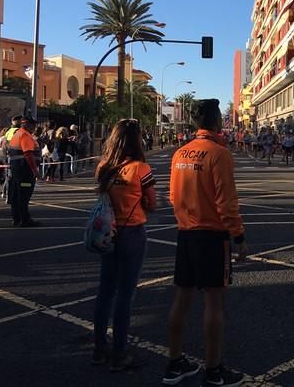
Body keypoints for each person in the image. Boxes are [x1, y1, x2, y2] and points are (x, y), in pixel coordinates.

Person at [165, 99, 248, 387]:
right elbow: (227, 202)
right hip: (212, 236)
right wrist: (238, 236)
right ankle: (214, 370)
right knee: (214, 303)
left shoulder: (180, 153)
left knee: (182, 299)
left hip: (185, 233)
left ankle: (175, 363)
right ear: (216, 123)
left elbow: (173, 197)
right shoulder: (219, 154)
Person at [92, 119, 156, 371]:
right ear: (136, 140)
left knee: (105, 290)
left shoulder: (104, 166)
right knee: (125, 295)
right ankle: (119, 353)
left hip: (107, 231)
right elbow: (152, 203)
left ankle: (99, 348)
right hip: (132, 233)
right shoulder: (141, 168)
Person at [7, 116, 41, 227]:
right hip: (25, 170)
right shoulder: (25, 136)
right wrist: (35, 170)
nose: (34, 128)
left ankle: (17, 218)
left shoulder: (17, 134)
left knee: (16, 194)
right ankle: (24, 219)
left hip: (17, 169)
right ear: (27, 125)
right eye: (33, 125)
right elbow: (28, 154)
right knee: (24, 195)